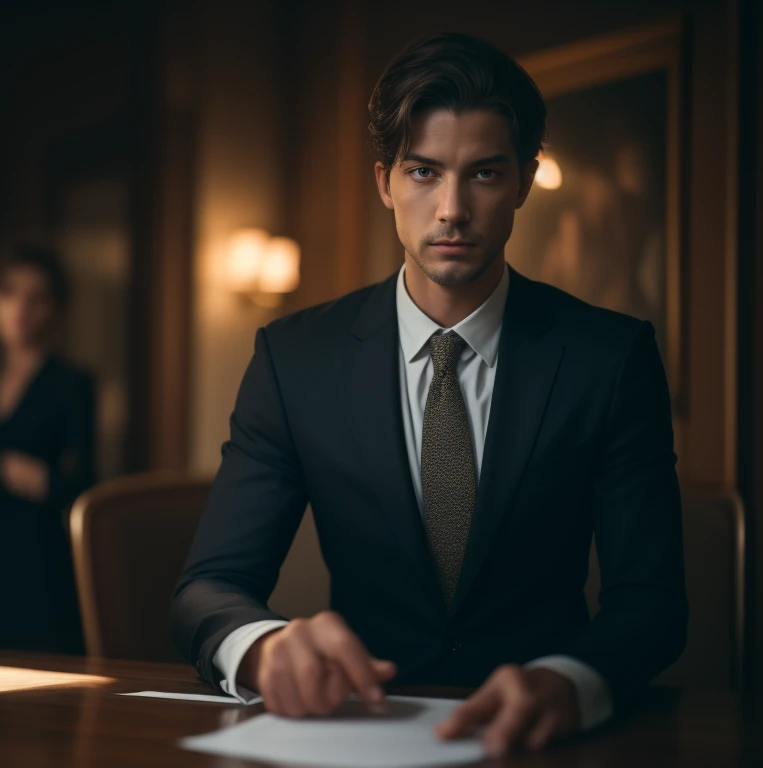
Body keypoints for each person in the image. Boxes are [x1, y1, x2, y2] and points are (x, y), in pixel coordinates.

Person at [172, 33, 688, 756]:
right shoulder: (294, 359)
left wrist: (572, 680)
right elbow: (210, 585)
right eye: (423, 172)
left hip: (545, 740)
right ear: (385, 183)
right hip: (355, 732)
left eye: (482, 174)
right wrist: (263, 647)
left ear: (524, 180)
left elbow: (653, 603)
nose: (451, 209)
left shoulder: (610, 355)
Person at [0, 247, 96, 653]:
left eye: (36, 297)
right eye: (10, 292)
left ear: (55, 309)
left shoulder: (70, 384)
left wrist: (29, 475)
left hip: (33, 554)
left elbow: (82, 484)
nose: (21, 307)